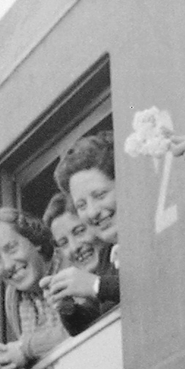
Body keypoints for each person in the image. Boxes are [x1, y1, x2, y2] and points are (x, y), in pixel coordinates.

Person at [0, 208, 69, 369]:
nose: (8, 265)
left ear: (34, 241)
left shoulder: (68, 262)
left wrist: (23, 349)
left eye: (12, 248)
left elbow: (80, 327)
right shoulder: (13, 298)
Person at [44, 134, 121, 314]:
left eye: (100, 195)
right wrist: (69, 309)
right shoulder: (107, 256)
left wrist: (96, 285)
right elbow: (97, 314)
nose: (92, 212)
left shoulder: (155, 233)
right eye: (81, 205)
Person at [42, 193, 115, 335]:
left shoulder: (119, 255)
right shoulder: (99, 272)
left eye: (79, 232)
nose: (74, 247)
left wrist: (95, 285)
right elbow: (92, 317)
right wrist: (68, 309)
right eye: (64, 243)